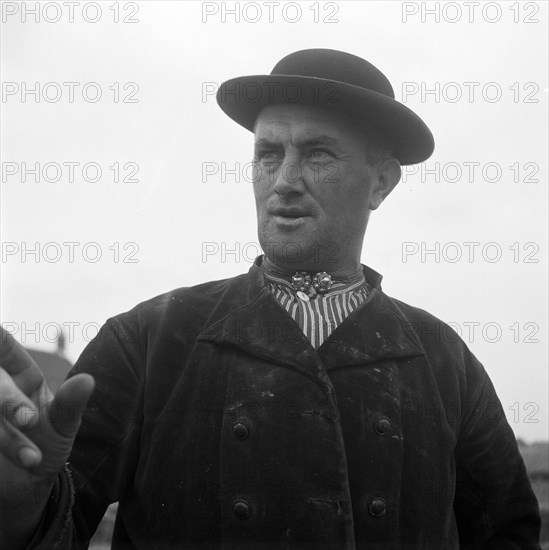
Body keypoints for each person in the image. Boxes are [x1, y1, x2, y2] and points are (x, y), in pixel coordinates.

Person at [0, 49, 541, 550]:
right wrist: (21, 509)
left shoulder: (445, 360)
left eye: (318, 154)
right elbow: (61, 524)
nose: (283, 181)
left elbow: (507, 533)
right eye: (267, 154)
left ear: (381, 183)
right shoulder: (147, 339)